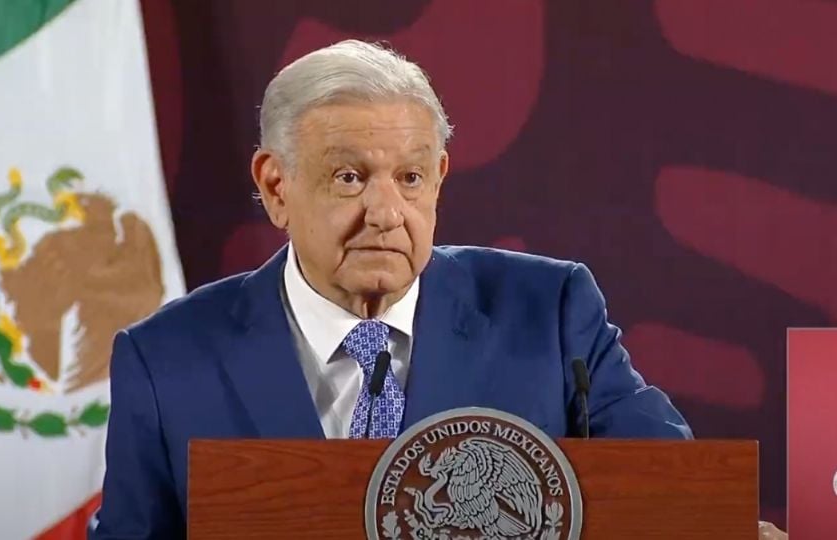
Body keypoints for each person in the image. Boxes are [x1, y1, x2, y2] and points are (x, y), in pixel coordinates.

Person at [90, 40, 785, 539]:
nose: (386, 212)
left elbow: (674, 498)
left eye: (411, 178)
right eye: (350, 177)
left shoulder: (549, 314)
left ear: (440, 179)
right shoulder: (167, 361)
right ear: (276, 186)